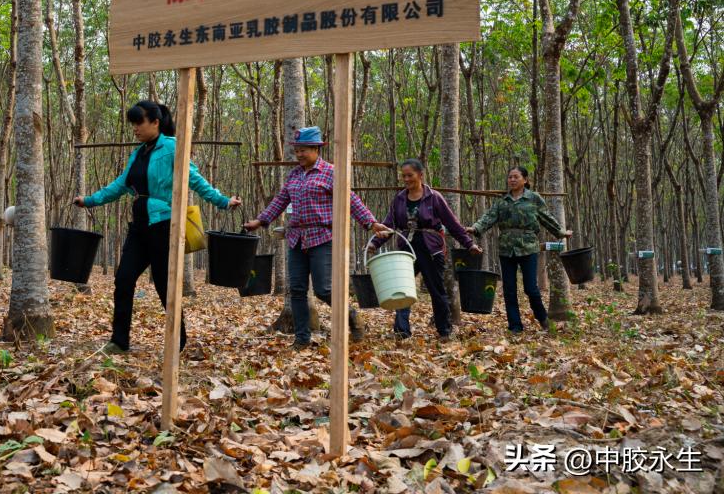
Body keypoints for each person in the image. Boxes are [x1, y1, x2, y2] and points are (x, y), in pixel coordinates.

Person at [73, 100, 241, 355]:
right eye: (133, 124)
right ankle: (119, 341)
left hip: (164, 227)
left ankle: (178, 342)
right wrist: (90, 200)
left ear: (156, 122)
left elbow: (195, 180)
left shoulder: (173, 148)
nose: (135, 129)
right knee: (124, 278)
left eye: (139, 122)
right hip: (139, 228)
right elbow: (121, 184)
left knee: (165, 286)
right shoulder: (138, 153)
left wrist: (224, 201)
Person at [244, 127, 393, 350]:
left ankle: (351, 315)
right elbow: (280, 200)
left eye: (304, 150)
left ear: (316, 149)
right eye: (297, 151)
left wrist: (370, 223)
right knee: (297, 289)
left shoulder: (331, 173)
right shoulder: (294, 174)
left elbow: (351, 199)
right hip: (296, 238)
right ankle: (302, 339)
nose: (300, 155)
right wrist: (260, 221)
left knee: (324, 289)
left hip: (322, 237)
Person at [368, 159, 480, 341]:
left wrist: (469, 244)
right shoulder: (399, 199)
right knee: (401, 289)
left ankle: (444, 330)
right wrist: (374, 243)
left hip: (430, 249)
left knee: (436, 290)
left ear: (420, 175)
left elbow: (453, 224)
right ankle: (401, 330)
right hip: (406, 250)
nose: (406, 179)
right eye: (403, 176)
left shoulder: (434, 197)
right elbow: (389, 225)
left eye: (410, 175)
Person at [467, 166, 572, 334]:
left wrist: (561, 232)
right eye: (510, 177)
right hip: (506, 249)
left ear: (525, 180)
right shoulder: (502, 201)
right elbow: (489, 217)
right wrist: (476, 228)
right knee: (509, 289)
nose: (512, 180)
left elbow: (546, 217)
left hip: (528, 247)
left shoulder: (533, 198)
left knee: (531, 288)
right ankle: (515, 326)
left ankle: (544, 319)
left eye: (516, 177)